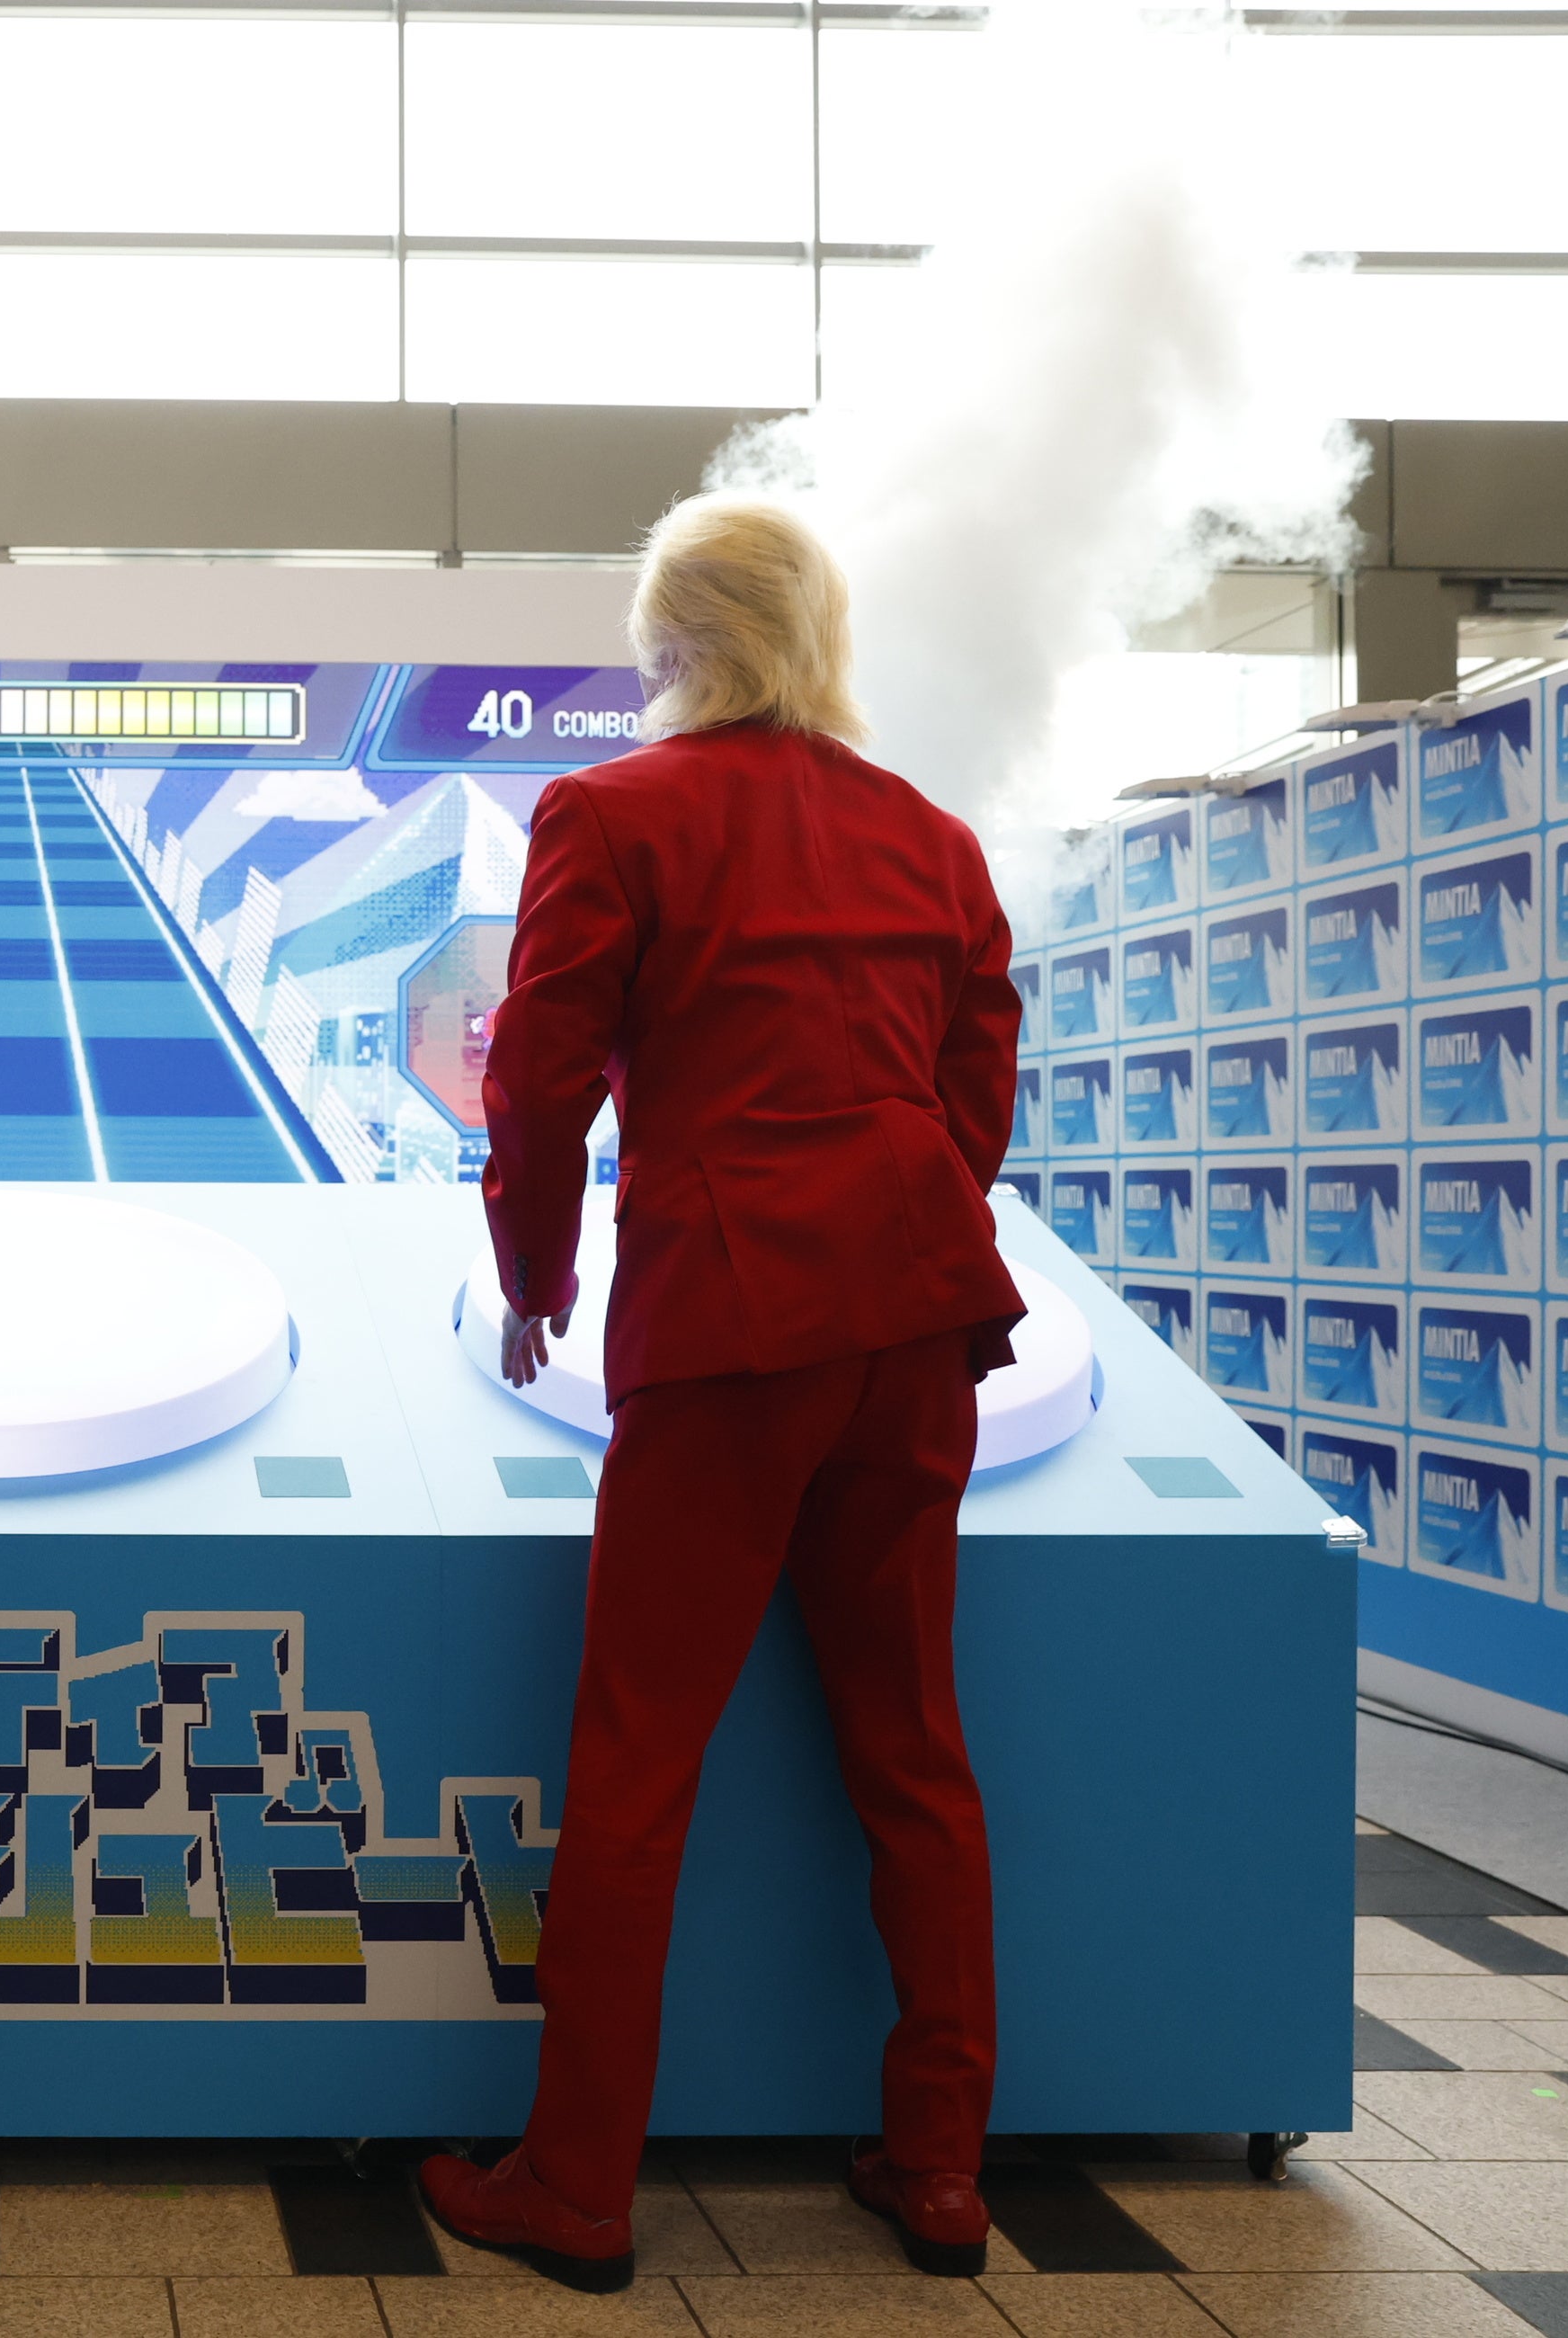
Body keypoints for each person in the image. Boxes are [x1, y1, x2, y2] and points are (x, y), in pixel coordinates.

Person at [419, 496, 1025, 2290]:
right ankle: (940, 2169)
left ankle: (578, 2187)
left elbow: (539, 1076)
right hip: (915, 1317)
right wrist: (903, 1223)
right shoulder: (931, 837)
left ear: (673, 646)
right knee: (916, 1753)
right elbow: (977, 1082)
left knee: (637, 1764)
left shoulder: (612, 812)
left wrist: (537, 1275)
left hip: (727, 1325)